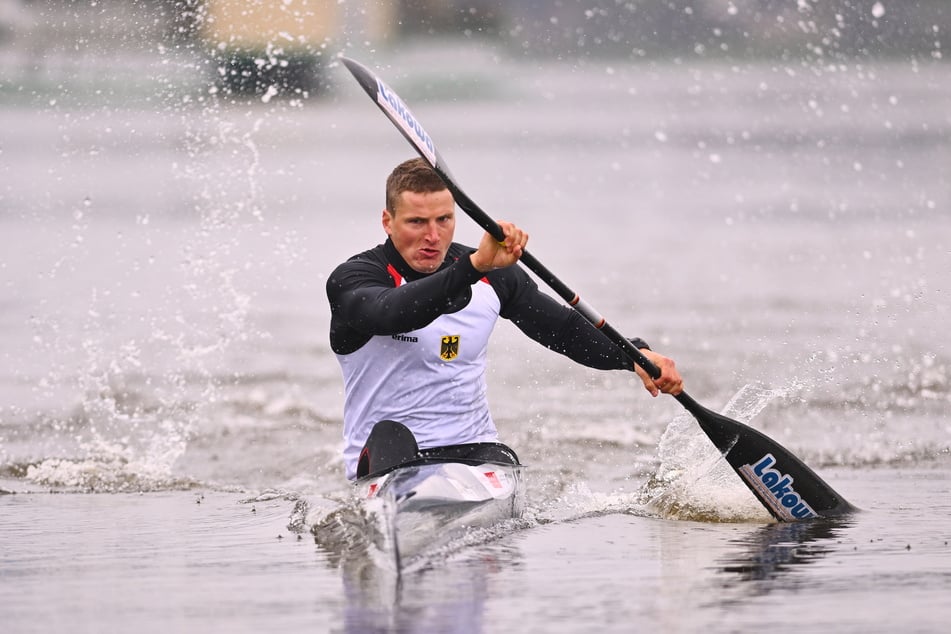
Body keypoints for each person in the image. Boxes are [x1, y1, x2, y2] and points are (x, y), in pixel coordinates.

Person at [326, 157, 683, 480]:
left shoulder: (493, 275)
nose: (433, 236)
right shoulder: (354, 280)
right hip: (388, 458)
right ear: (387, 221)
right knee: (390, 435)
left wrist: (633, 355)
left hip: (472, 452)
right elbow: (393, 313)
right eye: (417, 222)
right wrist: (474, 265)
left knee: (501, 459)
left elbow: (564, 330)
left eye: (444, 220)